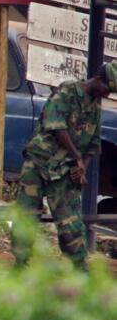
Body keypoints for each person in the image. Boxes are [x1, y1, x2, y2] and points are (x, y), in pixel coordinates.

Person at [14, 61, 117, 267]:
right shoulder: (67, 91)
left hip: (64, 170)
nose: (107, 95)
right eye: (107, 89)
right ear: (97, 80)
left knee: (69, 220)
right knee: (27, 214)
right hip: (39, 161)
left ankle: (78, 266)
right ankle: (21, 262)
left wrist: (81, 169)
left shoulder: (95, 106)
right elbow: (57, 127)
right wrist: (76, 156)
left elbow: (93, 143)